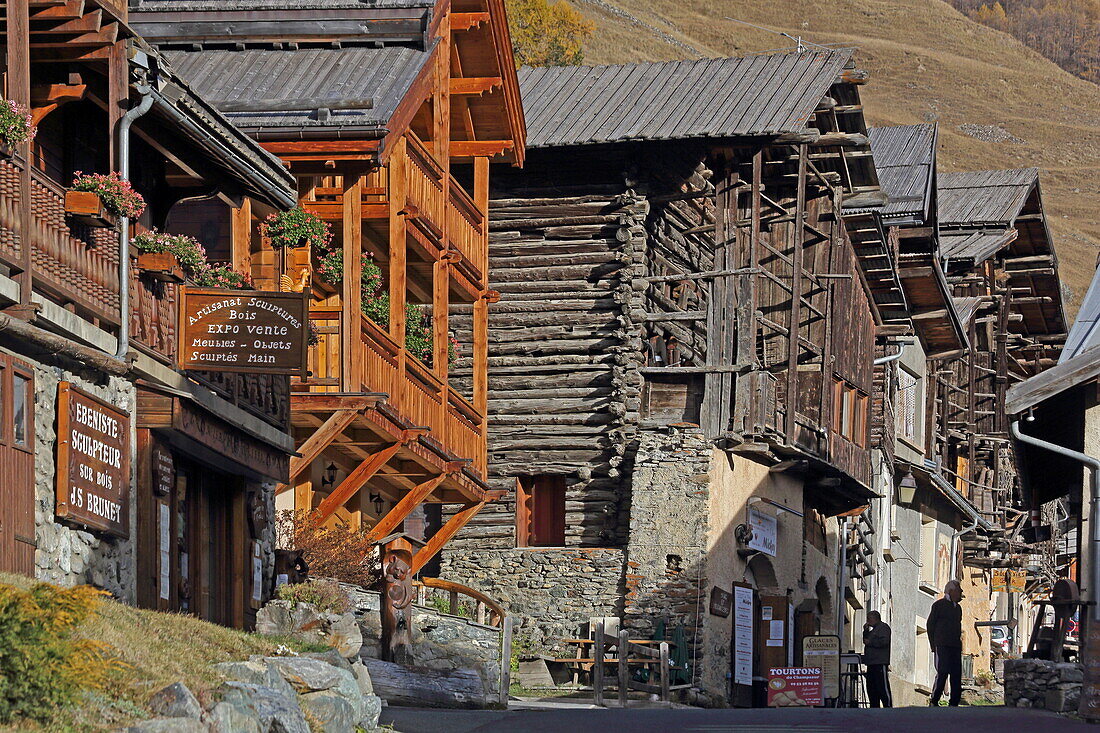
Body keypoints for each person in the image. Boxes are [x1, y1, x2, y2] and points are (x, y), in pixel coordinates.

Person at [927, 579, 964, 706]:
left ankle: (954, 701)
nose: (961, 592)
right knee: (942, 671)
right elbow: (930, 625)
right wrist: (933, 644)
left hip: (955, 645)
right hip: (942, 644)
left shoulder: (958, 608)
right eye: (959, 590)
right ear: (951, 591)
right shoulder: (939, 605)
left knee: (956, 673)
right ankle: (935, 699)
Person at [862, 610, 893, 707]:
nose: (867, 621)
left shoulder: (883, 628)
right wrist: (866, 631)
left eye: (869, 618)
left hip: (880, 662)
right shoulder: (873, 630)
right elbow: (866, 640)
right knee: (872, 686)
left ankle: (887, 705)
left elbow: (884, 642)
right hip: (871, 662)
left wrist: (870, 643)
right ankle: (874, 705)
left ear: (875, 618)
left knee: (882, 685)